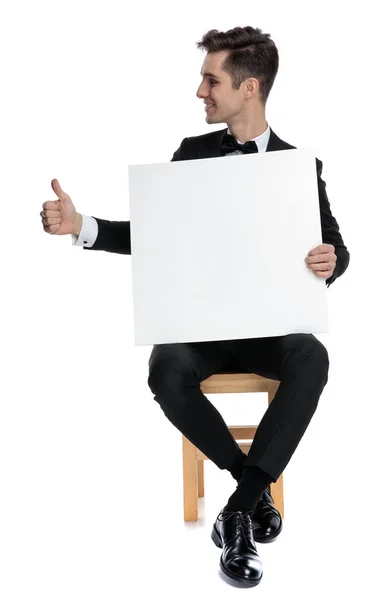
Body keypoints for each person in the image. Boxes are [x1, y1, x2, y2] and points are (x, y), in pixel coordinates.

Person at [40, 26, 350, 587]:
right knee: (165, 368)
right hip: (200, 328)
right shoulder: (192, 153)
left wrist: (332, 260)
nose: (200, 91)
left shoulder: (299, 163)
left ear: (248, 87)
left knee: (313, 357)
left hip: (269, 329)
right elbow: (156, 234)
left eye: (211, 80)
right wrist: (82, 226)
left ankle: (234, 512)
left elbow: (337, 248)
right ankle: (250, 494)